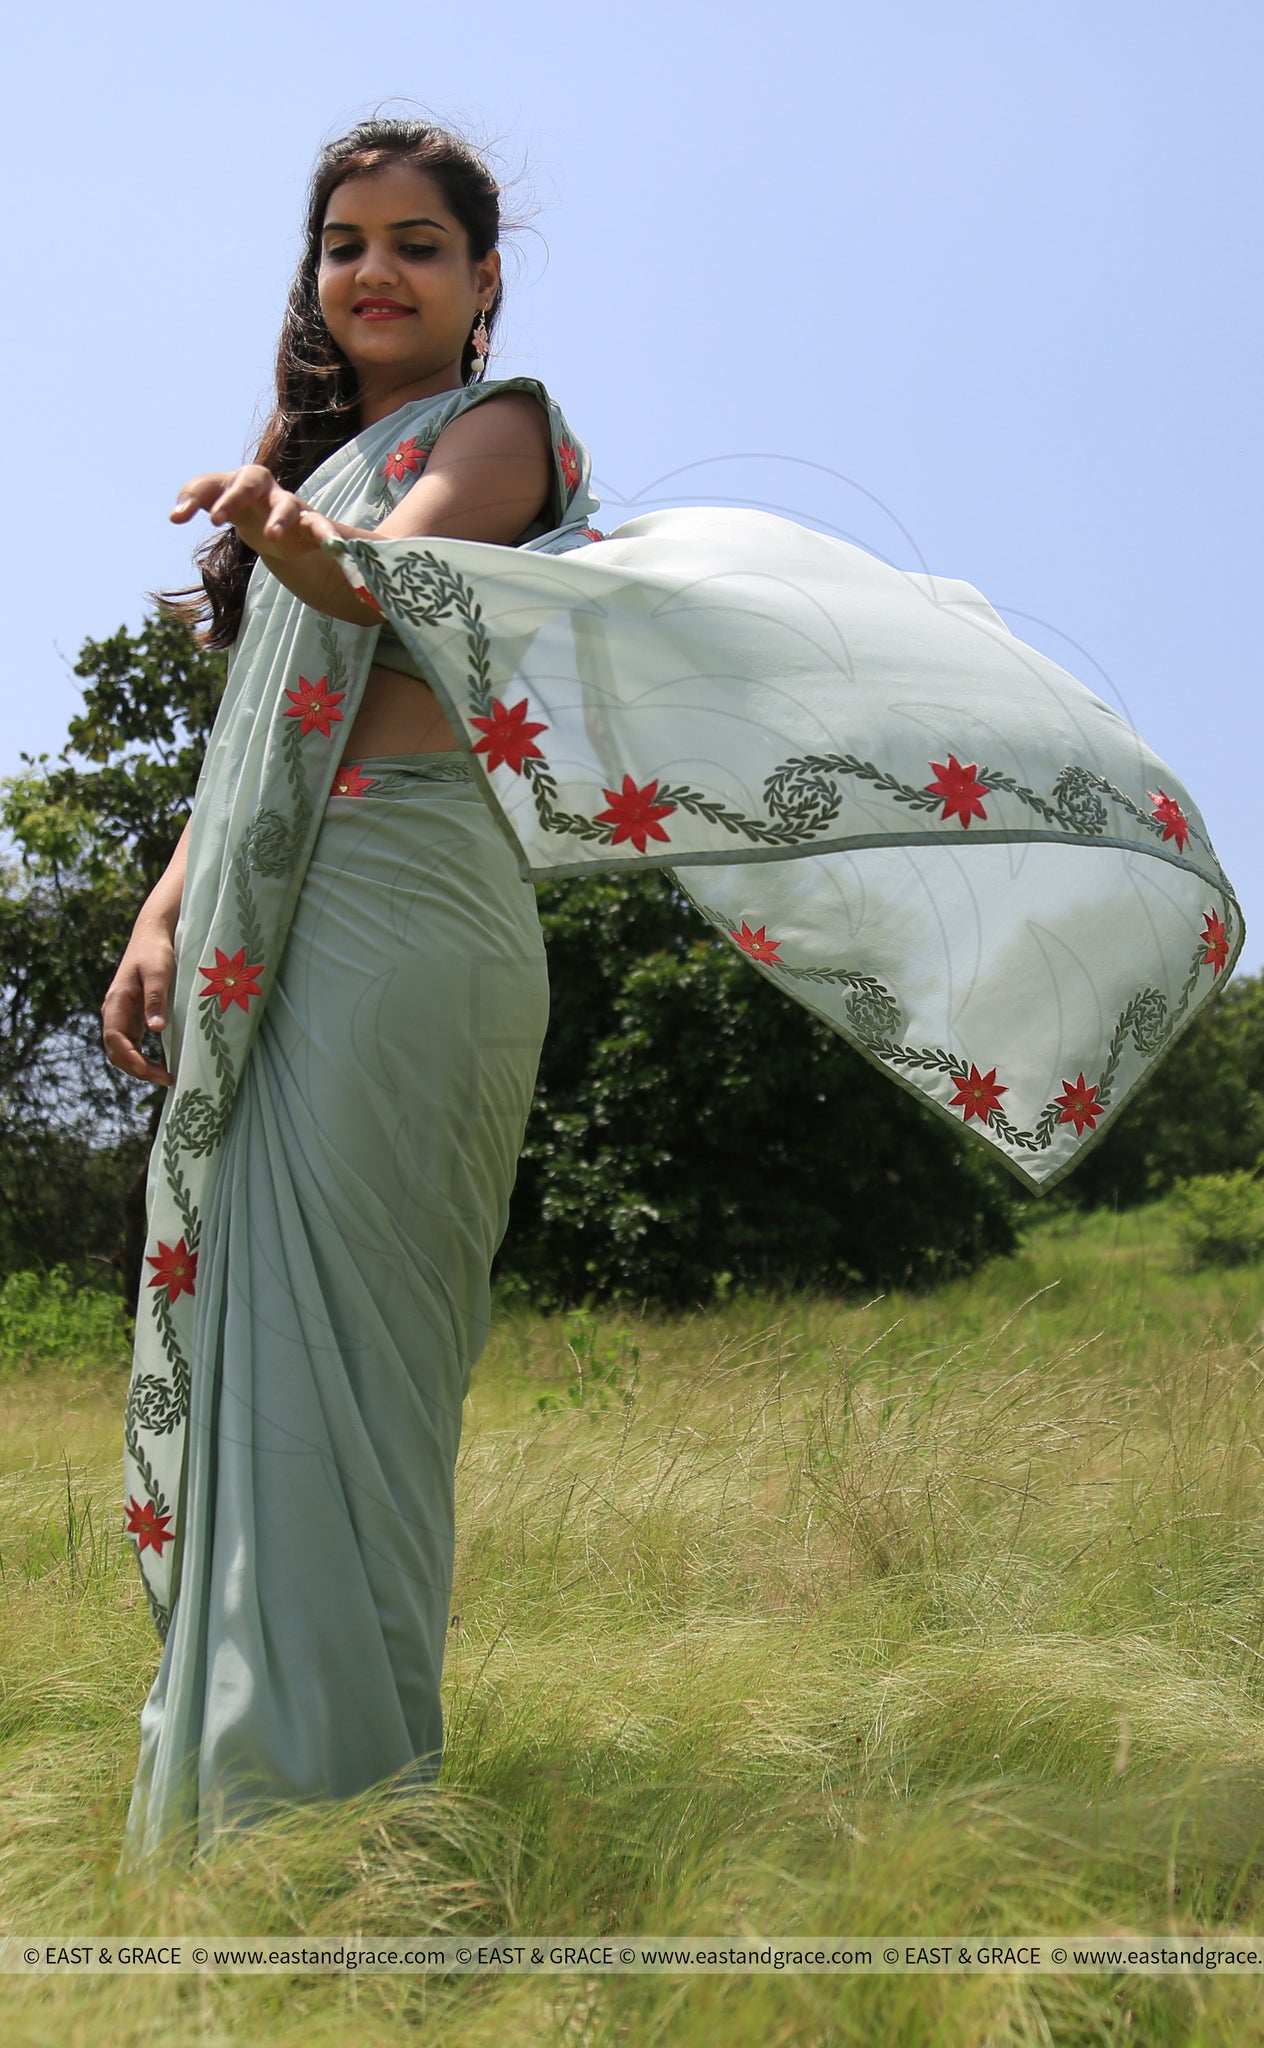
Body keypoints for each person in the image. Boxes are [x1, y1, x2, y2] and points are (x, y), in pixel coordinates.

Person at [107, 118, 1240, 1868]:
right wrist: (165, 912)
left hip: (409, 917)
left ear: (486, 287)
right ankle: (238, 1847)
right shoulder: (318, 467)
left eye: (419, 242)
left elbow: (388, 591)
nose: (375, 271)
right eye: (344, 242)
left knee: (357, 1390)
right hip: (283, 920)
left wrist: (283, 530)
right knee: (264, 1366)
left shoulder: (494, 435)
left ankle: (335, 1836)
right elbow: (257, 725)